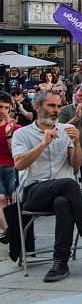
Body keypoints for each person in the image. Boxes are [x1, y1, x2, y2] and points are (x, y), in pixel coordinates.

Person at [12, 90, 82, 282]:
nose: (56, 110)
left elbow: (75, 165)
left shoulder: (66, 130)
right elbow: (19, 164)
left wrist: (76, 142)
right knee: (69, 184)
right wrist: (43, 144)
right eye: (51, 106)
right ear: (37, 107)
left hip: (63, 192)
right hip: (34, 192)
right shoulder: (22, 133)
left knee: (63, 202)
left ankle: (60, 263)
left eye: (58, 106)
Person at [0, 92, 20, 243]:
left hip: (12, 167)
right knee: (0, 199)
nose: (2, 110)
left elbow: (16, 155)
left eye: (6, 107)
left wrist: (9, 135)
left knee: (14, 198)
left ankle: (13, 231)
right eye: (0, 107)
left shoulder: (15, 128)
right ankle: (9, 231)